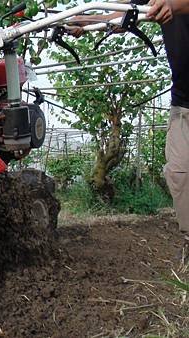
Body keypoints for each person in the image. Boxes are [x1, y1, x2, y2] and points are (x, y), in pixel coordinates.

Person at [69, 0, 189, 244]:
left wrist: (173, 6)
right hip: (184, 103)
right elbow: (127, 10)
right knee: (178, 172)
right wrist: (89, 21)